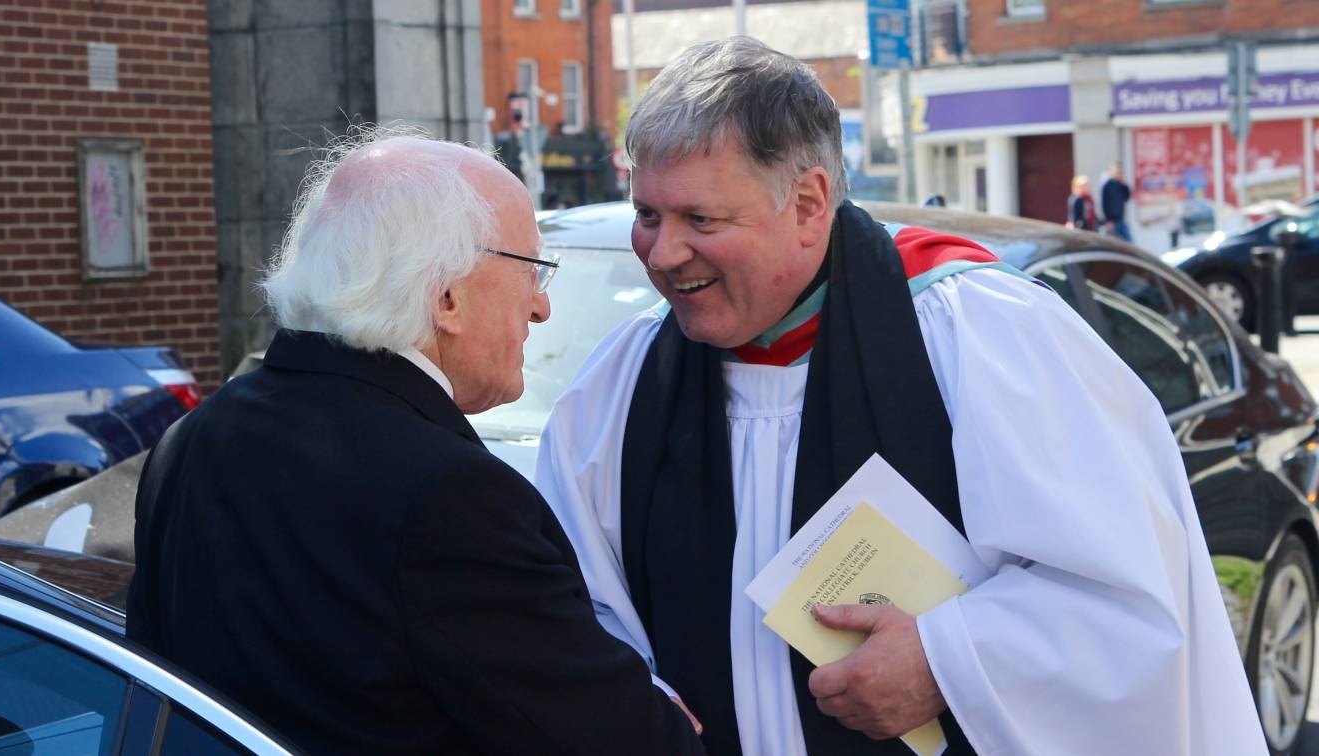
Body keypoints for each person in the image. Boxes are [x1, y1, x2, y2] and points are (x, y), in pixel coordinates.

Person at [536, 37, 1264, 756]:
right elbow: (574, 605)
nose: (663, 255)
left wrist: (948, 659)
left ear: (809, 201)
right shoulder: (622, 383)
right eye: (648, 216)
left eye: (701, 220)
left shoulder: (981, 336)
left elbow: (1129, 604)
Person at [127, 132, 706, 756]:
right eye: (532, 271)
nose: (540, 308)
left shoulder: (191, 439)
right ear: (447, 297)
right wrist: (664, 714)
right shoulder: (451, 496)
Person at [1099, 162, 1132, 241]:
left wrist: (1125, 185)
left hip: (1120, 219)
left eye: (1120, 172)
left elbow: (1127, 197)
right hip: (1112, 221)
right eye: (1117, 172)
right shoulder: (1107, 185)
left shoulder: (1120, 185)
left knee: (1129, 242)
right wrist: (1108, 220)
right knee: (1115, 243)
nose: (1119, 174)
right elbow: (1104, 204)